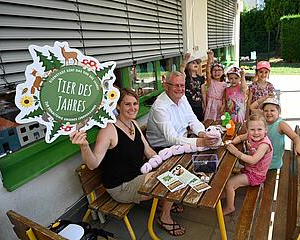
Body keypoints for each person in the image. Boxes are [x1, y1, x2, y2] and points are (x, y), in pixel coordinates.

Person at [70, 88, 185, 236]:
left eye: (135, 103)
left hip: (137, 175)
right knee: (169, 180)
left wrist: (164, 161)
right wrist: (84, 146)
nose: (133, 108)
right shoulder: (108, 130)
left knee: (174, 172)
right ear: (118, 106)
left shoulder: (133, 124)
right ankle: (165, 218)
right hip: (121, 186)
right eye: (127, 104)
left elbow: (148, 151)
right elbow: (93, 164)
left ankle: (163, 203)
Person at [146, 71, 218, 151]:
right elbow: (172, 139)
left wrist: (202, 134)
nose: (180, 89)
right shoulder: (159, 107)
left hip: (183, 141)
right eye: (176, 85)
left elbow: (192, 120)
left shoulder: (182, 97)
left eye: (182, 85)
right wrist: (201, 142)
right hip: (164, 149)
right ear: (166, 86)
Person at [223, 114, 273, 215]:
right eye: (252, 129)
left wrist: (236, 152)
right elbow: (241, 137)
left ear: (265, 130)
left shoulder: (264, 145)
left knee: (229, 184)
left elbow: (253, 160)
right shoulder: (250, 135)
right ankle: (227, 193)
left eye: (259, 129)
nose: (256, 133)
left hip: (256, 175)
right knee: (226, 175)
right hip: (250, 169)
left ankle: (230, 207)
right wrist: (232, 142)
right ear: (248, 129)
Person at [250, 97, 300, 169]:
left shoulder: (281, 125)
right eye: (266, 111)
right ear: (263, 112)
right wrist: (265, 97)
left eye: (272, 110)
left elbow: (295, 137)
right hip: (260, 155)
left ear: (279, 112)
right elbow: (251, 107)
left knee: (241, 160)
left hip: (270, 162)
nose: (269, 113)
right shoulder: (263, 118)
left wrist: (298, 147)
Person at [180, 52, 205, 121]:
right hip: (188, 106)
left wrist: (204, 105)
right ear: (188, 66)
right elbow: (182, 68)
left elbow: (203, 93)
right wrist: (185, 60)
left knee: (199, 122)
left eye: (197, 63)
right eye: (193, 63)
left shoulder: (201, 78)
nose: (196, 64)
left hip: (198, 106)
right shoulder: (185, 77)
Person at [203, 50, 227, 120]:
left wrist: (223, 105)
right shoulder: (211, 82)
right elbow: (207, 71)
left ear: (223, 72)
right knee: (209, 122)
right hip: (211, 105)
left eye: (219, 70)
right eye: (214, 70)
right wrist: (209, 60)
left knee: (219, 122)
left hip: (219, 106)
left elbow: (224, 97)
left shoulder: (224, 84)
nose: (217, 72)